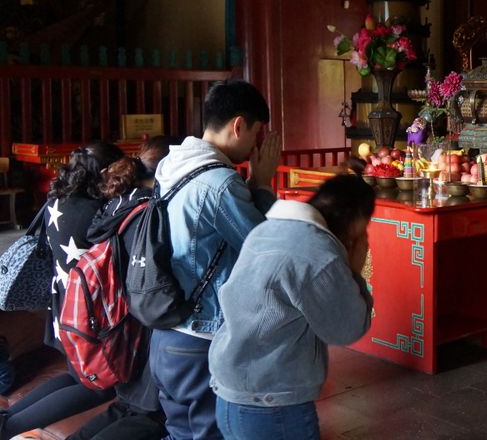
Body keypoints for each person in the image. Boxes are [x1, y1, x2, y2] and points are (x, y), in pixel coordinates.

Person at [149, 80, 281, 440]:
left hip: (165, 331)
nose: (257, 144)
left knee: (180, 432)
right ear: (239, 125)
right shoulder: (219, 182)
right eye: (257, 132)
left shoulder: (172, 165)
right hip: (200, 337)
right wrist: (264, 184)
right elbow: (261, 250)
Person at [209, 175, 374, 440]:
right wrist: (355, 270)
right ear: (356, 221)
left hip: (230, 393)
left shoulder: (268, 229)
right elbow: (347, 328)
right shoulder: (318, 253)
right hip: (271, 406)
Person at [0, 142, 125, 440]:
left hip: (62, 307)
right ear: (106, 172)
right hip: (86, 312)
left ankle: (6, 420)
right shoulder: (98, 211)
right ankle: (9, 426)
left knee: (74, 374)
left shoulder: (58, 198)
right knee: (97, 385)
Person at [68, 136, 174, 440]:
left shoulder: (118, 202)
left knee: (126, 406)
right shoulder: (152, 209)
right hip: (145, 320)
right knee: (149, 415)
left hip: (119, 321)